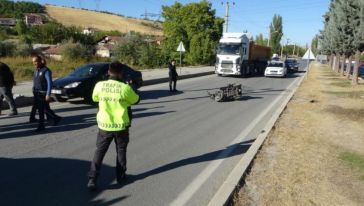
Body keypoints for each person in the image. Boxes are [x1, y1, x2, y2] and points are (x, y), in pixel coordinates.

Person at [87, 61, 139, 191]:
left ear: (109, 71)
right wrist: (130, 87)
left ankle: (92, 178)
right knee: (121, 151)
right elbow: (136, 100)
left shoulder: (99, 85)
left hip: (104, 125)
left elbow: (95, 99)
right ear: (121, 73)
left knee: (100, 151)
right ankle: (121, 176)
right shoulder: (125, 88)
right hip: (121, 126)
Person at [31, 55, 61, 132]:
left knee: (42, 110)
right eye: (33, 62)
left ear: (40, 61)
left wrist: (48, 94)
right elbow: (35, 82)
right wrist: (33, 89)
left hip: (43, 93)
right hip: (37, 93)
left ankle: (41, 126)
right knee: (44, 109)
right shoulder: (36, 70)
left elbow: (49, 83)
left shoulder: (46, 70)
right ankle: (56, 118)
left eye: (36, 61)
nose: (35, 63)